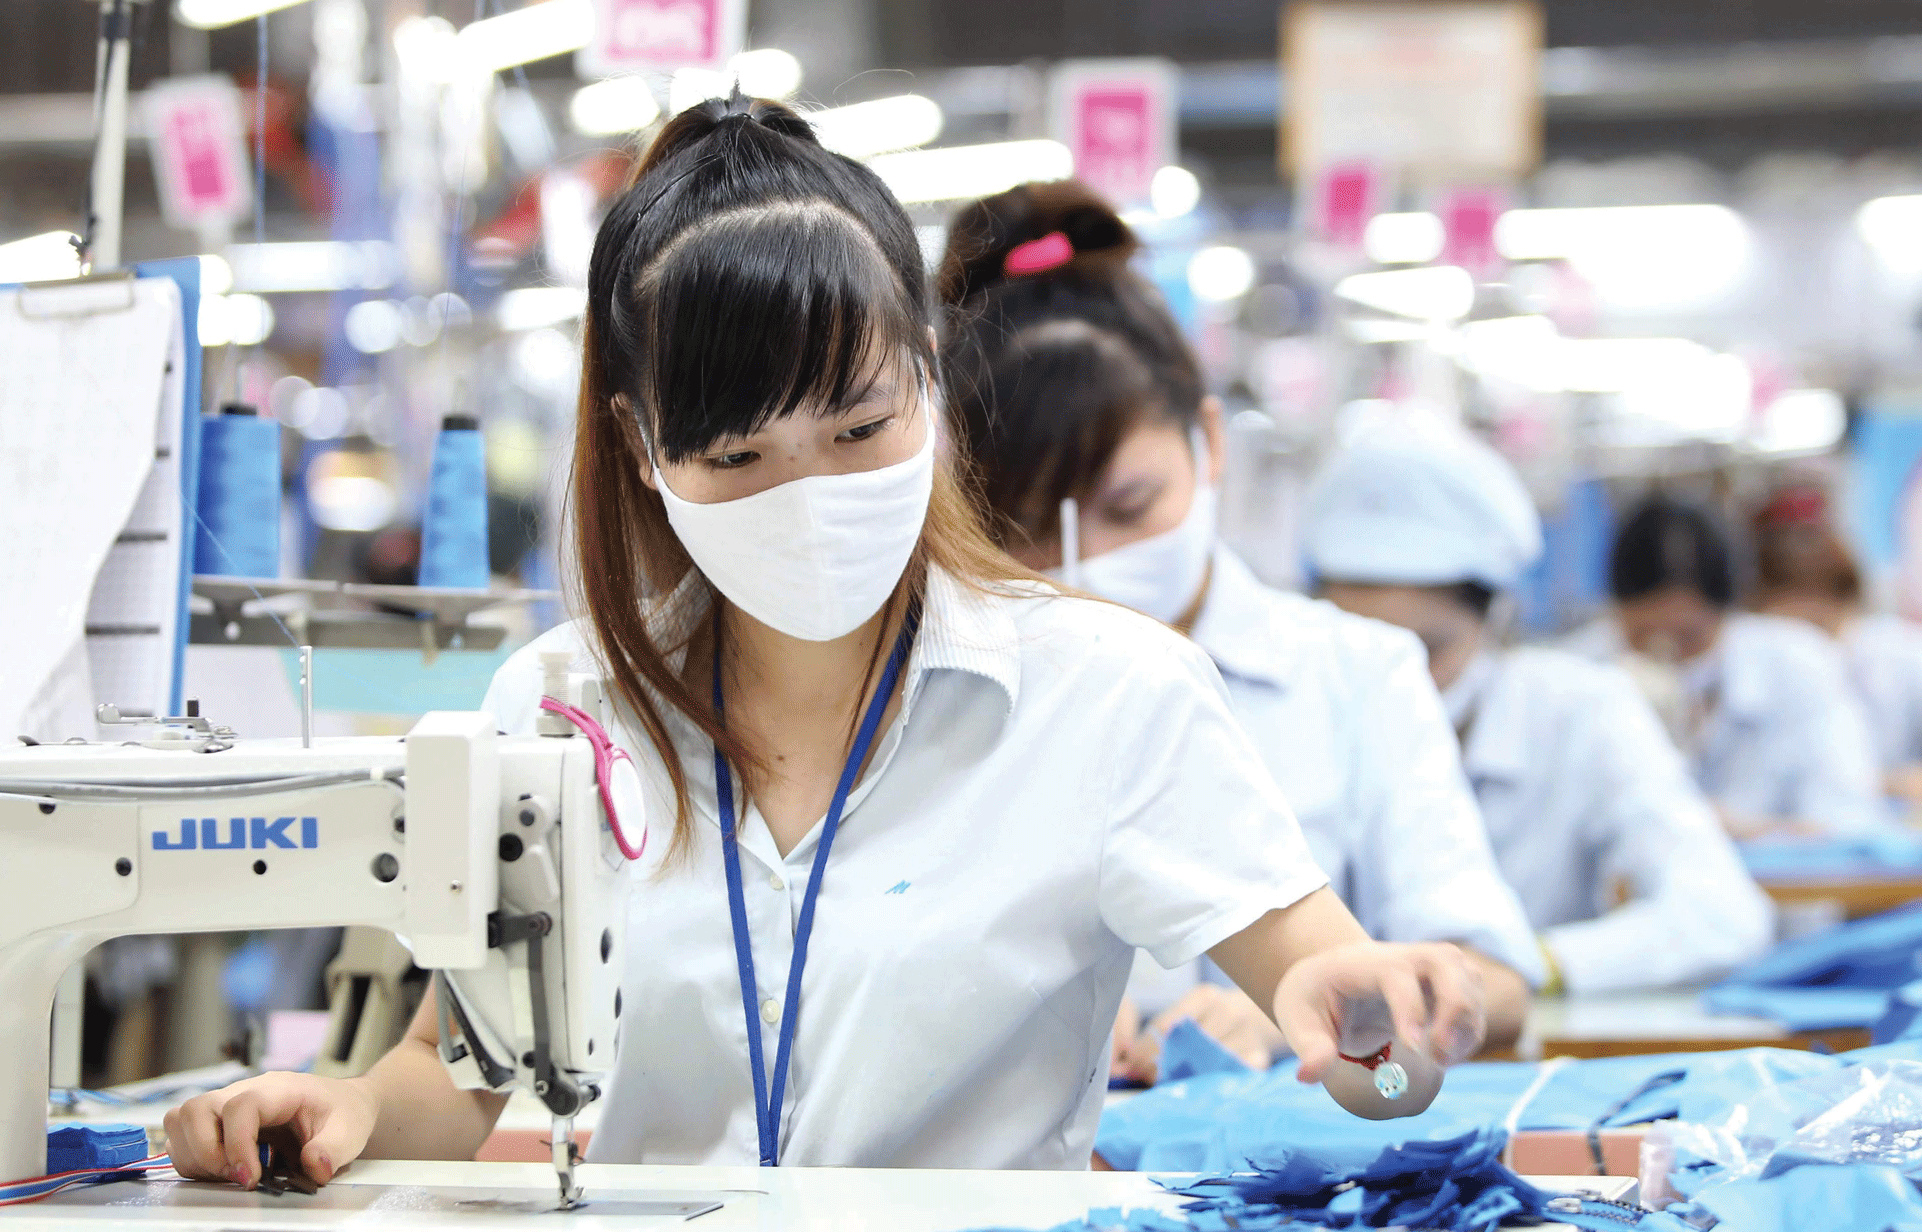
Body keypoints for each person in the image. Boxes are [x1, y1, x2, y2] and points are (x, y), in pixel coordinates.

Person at [162, 96, 1489, 1182]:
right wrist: (344, 1109)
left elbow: (1333, 995)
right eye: (738, 457)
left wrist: (1377, 1028)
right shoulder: (557, 713)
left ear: (929, 374)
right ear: (640, 443)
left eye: (859, 430)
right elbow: (458, 1072)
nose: (808, 497)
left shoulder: (1109, 694)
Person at [935, 180, 1537, 1082]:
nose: (1088, 562)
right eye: (1026, 530)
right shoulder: (947, 696)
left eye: (1129, 506)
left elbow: (1492, 981)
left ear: (1209, 444)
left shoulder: (1356, 674)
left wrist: (1316, 1007)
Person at [1304, 421, 1774, 994]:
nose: (1393, 684)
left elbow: (1722, 915)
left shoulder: (1577, 711)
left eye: (1427, 651)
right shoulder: (1282, 719)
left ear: (1495, 621)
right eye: (1358, 654)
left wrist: (1524, 967)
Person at [1566, 493, 1884, 839]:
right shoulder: (1577, 676)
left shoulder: (1798, 667)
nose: (1668, 651)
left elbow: (1849, 820)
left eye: (1688, 637)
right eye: (1644, 636)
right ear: (1616, 613)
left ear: (1727, 613)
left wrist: (1744, 830)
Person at [1750, 485, 1922, 810]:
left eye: (1816, 625)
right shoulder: (1765, 674)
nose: (1803, 646)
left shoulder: (1903, 657)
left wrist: (1870, 782)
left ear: (1846, 602)